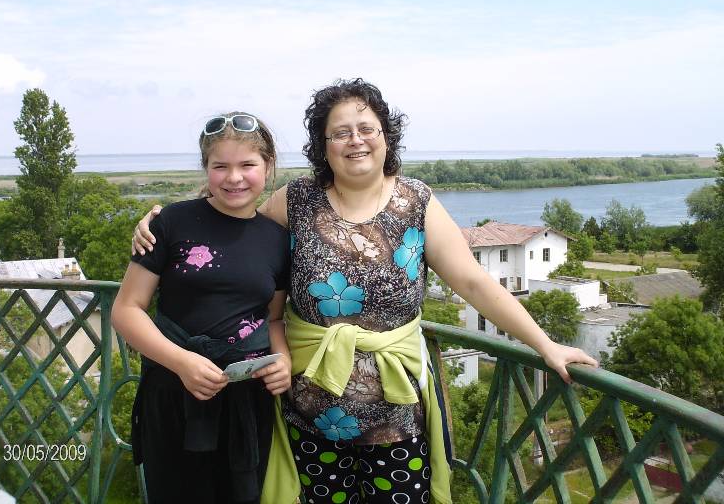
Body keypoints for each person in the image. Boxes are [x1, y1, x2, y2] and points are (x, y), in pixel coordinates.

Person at [133, 80, 598, 504]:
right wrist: (163, 221)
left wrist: (545, 345)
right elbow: (232, 221)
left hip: (396, 414)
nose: (355, 140)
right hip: (309, 412)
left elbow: (474, 282)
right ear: (324, 146)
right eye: (340, 133)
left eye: (365, 128)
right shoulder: (296, 200)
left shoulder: (416, 201)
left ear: (385, 136)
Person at [113, 112, 292, 504]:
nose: (234, 177)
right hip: (173, 391)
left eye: (247, 165)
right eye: (220, 166)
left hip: (246, 398)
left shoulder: (278, 240)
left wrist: (283, 359)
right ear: (205, 168)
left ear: (268, 167)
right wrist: (183, 363)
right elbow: (126, 310)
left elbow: (274, 317)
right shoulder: (171, 223)